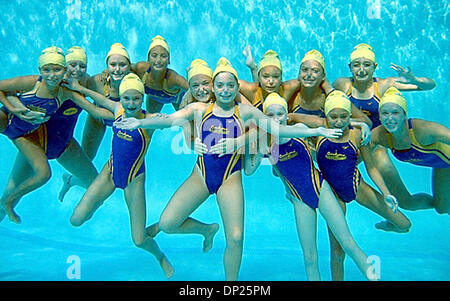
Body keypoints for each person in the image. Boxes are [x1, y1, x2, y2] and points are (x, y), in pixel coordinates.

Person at [113, 57, 343, 281]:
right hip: (202, 175)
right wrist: (140, 122)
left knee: (235, 237)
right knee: (167, 223)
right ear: (213, 86)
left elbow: (278, 129)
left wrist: (317, 131)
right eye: (220, 85)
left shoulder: (246, 112)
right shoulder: (199, 109)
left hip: (230, 179)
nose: (225, 90)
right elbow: (169, 119)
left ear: (236, 87)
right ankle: (207, 230)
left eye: (230, 85)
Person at [244, 92, 379, 281]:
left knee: (348, 243)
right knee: (309, 257)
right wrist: (258, 151)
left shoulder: (299, 128)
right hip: (299, 199)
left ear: (287, 115)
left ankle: (375, 278)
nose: (276, 119)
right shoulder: (266, 142)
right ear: (265, 118)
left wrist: (361, 124)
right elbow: (249, 170)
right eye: (271, 115)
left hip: (321, 190)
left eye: (280, 114)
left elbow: (324, 122)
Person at [289, 90, 411, 280]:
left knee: (404, 225)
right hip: (332, 196)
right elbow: (289, 116)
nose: (338, 121)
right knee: (338, 253)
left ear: (349, 116)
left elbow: (372, 169)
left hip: (356, 186)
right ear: (326, 116)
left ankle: (387, 225)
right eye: (333, 117)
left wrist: (386, 193)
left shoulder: (357, 135)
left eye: (344, 117)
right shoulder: (320, 128)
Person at [67, 73, 175, 278]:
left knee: (140, 239)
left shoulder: (148, 121)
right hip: (110, 172)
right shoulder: (118, 110)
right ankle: (95, 198)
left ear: (142, 99)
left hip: (134, 180)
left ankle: (160, 256)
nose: (131, 103)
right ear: (122, 98)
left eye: (136, 98)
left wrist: (166, 119)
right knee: (77, 219)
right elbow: (101, 99)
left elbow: (172, 122)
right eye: (127, 98)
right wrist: (79, 88)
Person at [0, 46, 113, 223]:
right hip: (35, 141)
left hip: (64, 145)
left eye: (82, 66)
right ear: (63, 66)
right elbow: (14, 92)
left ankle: (72, 180)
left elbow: (119, 74)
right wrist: (16, 108)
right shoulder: (50, 80)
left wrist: (109, 73)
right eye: (71, 65)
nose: (76, 70)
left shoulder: (87, 84)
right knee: (10, 195)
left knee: (98, 190)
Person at [333, 43, 438, 217]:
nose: (361, 70)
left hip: (375, 148)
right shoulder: (342, 84)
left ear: (375, 67)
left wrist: (415, 81)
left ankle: (440, 203)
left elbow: (430, 85)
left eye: (367, 65)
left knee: (406, 202)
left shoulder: (383, 85)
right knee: (329, 177)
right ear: (349, 67)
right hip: (351, 145)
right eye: (356, 65)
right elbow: (328, 110)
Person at [370, 87, 449, 214]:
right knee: (441, 208)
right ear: (379, 117)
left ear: (404, 115)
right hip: (442, 165)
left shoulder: (423, 130)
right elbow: (356, 156)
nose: (390, 119)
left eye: (395, 113)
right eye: (385, 113)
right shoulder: (379, 136)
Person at [80, 43, 132, 162]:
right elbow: (76, 84)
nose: (117, 69)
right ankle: (71, 180)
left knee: (123, 162)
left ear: (129, 66)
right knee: (86, 159)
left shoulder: (135, 83)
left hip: (125, 123)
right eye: (113, 65)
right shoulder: (97, 82)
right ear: (107, 66)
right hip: (97, 120)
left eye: (122, 65)